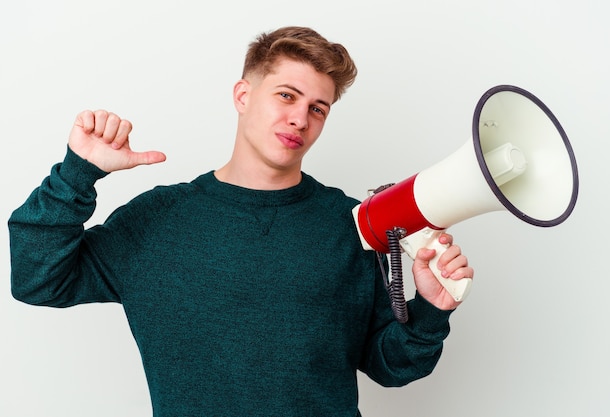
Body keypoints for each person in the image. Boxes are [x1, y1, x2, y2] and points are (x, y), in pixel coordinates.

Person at [8, 26, 474, 416]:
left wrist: (431, 309)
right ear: (243, 95)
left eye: (318, 108)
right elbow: (38, 279)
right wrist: (77, 174)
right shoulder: (157, 220)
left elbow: (390, 367)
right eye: (286, 96)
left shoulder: (352, 222)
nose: (299, 119)